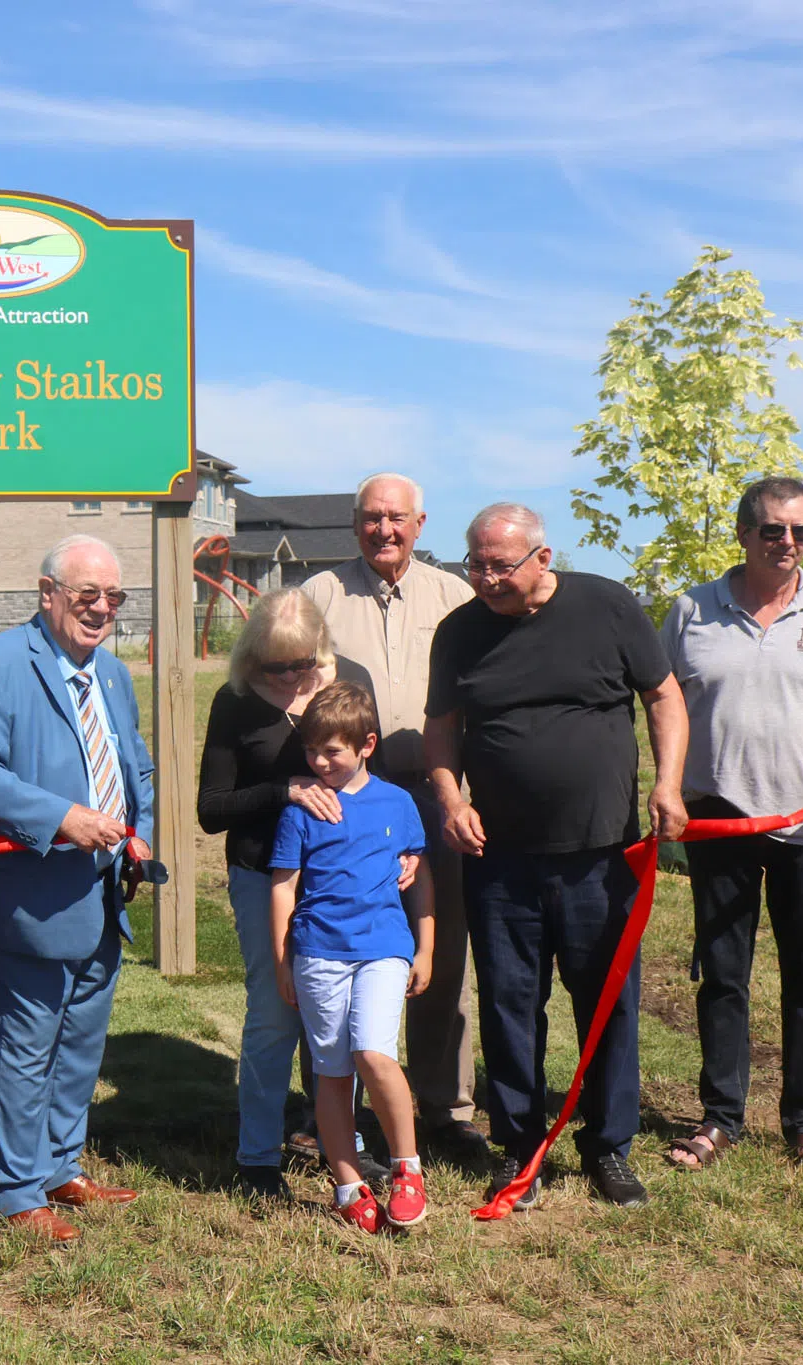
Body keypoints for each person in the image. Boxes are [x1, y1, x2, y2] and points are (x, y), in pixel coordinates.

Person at [423, 503, 688, 1209]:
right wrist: (452, 800)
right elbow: (441, 728)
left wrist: (667, 783)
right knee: (510, 1004)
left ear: (542, 557)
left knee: (607, 1003)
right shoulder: (460, 632)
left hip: (601, 857)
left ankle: (608, 1147)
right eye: (473, 563)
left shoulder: (607, 606)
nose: (484, 578)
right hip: (499, 860)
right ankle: (520, 1147)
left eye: (498, 565)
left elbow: (663, 697)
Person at [0, 534, 158, 1244]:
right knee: (24, 1046)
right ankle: (13, 1190)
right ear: (47, 592)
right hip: (22, 897)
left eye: (113, 597)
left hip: (99, 893)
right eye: (86, 594)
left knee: (81, 1040)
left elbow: (136, 767)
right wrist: (62, 816)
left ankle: (61, 1165)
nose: (101, 609)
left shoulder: (114, 674)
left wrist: (139, 830)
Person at [659, 477, 803, 1176]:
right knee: (722, 976)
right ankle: (722, 1117)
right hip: (717, 819)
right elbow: (668, 706)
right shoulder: (691, 610)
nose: (788, 543)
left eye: (802, 531)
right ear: (744, 533)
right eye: (775, 529)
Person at [300, 473, 486, 1167]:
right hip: (346, 799)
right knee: (336, 946)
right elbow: (290, 693)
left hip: (436, 792)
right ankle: (334, 1111)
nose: (386, 529)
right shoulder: (319, 595)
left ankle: (446, 1106)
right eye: (373, 517)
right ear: (355, 523)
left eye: (398, 517)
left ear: (420, 521)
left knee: (440, 952)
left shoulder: (455, 595)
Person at [196, 587, 379, 1200]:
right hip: (261, 875)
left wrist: (397, 851)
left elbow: (371, 780)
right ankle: (256, 1157)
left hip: (340, 878)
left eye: (305, 662)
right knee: (275, 1014)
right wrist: (286, 790)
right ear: (252, 659)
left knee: (338, 1016)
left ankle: (341, 1148)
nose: (297, 677)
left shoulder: (348, 681)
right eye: (280, 667)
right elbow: (212, 810)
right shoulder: (237, 701)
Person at [270, 681, 432, 1233]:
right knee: (332, 1073)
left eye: (331, 751)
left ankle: (407, 1169)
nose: (318, 762)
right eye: (311, 751)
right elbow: (283, 887)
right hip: (317, 953)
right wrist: (282, 959)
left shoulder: (399, 802)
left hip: (383, 948)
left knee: (373, 1053)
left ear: (367, 744)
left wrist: (426, 945)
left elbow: (420, 878)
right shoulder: (303, 808)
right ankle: (347, 1185)